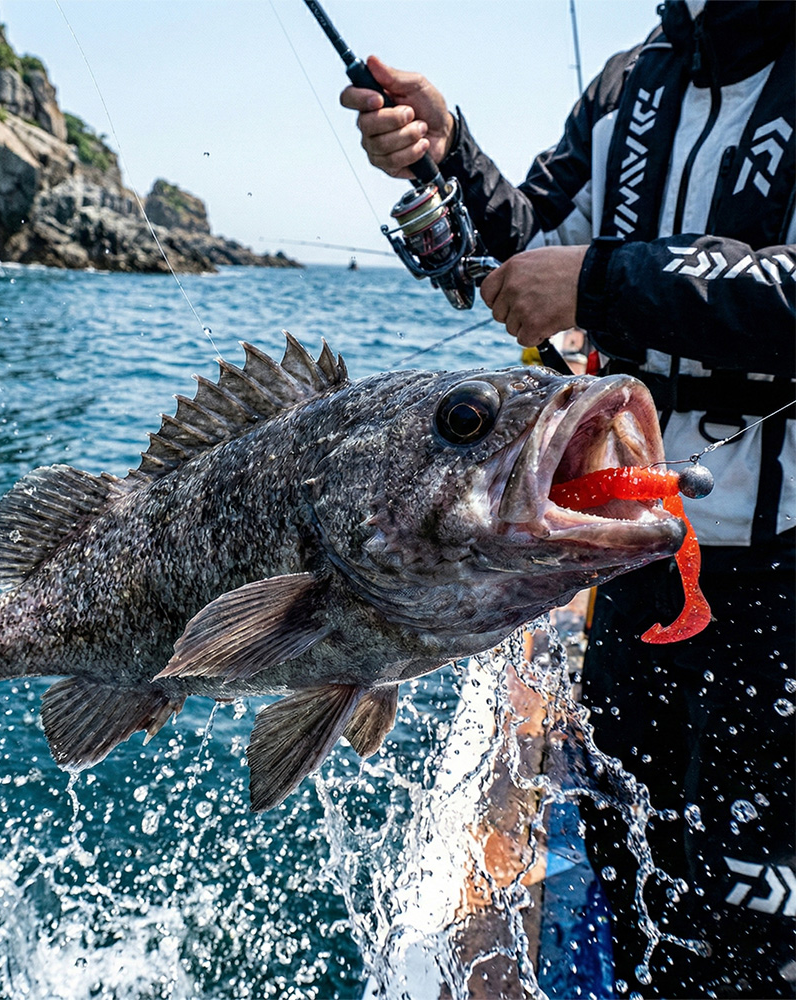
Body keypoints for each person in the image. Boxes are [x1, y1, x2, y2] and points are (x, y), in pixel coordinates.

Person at [340, 1, 795, 996]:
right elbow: (527, 244)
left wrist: (600, 281)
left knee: (759, 916)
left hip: (784, 575)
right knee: (635, 861)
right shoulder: (629, 83)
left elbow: (591, 272)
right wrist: (446, 149)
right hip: (626, 550)